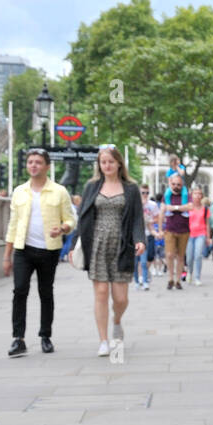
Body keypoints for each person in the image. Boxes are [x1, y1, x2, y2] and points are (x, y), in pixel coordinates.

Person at [75, 145, 147, 358]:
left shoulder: (131, 188)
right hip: (97, 244)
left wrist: (140, 240)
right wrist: (73, 246)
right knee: (101, 293)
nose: (106, 165)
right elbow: (82, 218)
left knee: (121, 298)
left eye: (110, 162)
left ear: (118, 163)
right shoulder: (92, 187)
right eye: (103, 162)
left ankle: (117, 321)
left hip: (121, 244)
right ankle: (104, 341)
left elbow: (136, 218)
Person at [3, 148, 76, 356]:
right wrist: (7, 256)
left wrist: (62, 228)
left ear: (47, 166)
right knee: (19, 291)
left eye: (38, 162)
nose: (33, 165)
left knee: (45, 292)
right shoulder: (19, 192)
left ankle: (45, 336)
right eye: (30, 162)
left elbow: (71, 219)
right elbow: (13, 225)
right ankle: (18, 338)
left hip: (48, 250)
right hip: (23, 250)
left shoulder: (59, 191)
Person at [161, 171, 191, 289]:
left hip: (184, 230)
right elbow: (163, 211)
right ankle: (170, 278)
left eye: (178, 184)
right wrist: (159, 229)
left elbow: (190, 207)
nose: (176, 186)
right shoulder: (166, 196)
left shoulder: (187, 195)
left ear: (182, 185)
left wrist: (174, 208)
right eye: (174, 184)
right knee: (169, 255)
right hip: (170, 229)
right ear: (170, 184)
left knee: (180, 256)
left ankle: (178, 280)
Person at [186, 185, 209, 285]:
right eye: (195, 193)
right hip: (189, 235)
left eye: (200, 194)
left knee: (198, 255)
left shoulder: (205, 209)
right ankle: (189, 272)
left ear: (202, 196)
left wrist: (208, 237)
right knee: (189, 257)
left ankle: (197, 277)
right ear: (192, 195)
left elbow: (207, 224)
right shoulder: (187, 207)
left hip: (201, 234)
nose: (198, 195)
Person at [134, 186, 153, 290]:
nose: (145, 195)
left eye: (146, 193)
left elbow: (150, 225)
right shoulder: (131, 210)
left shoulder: (147, 212)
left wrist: (156, 233)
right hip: (133, 239)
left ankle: (145, 281)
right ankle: (137, 281)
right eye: (142, 193)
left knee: (144, 262)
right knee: (135, 262)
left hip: (144, 238)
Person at [60, 194, 82, 263]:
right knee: (69, 242)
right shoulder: (74, 208)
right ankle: (63, 255)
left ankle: (62, 255)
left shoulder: (71, 207)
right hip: (73, 227)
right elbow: (75, 218)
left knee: (67, 242)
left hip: (67, 226)